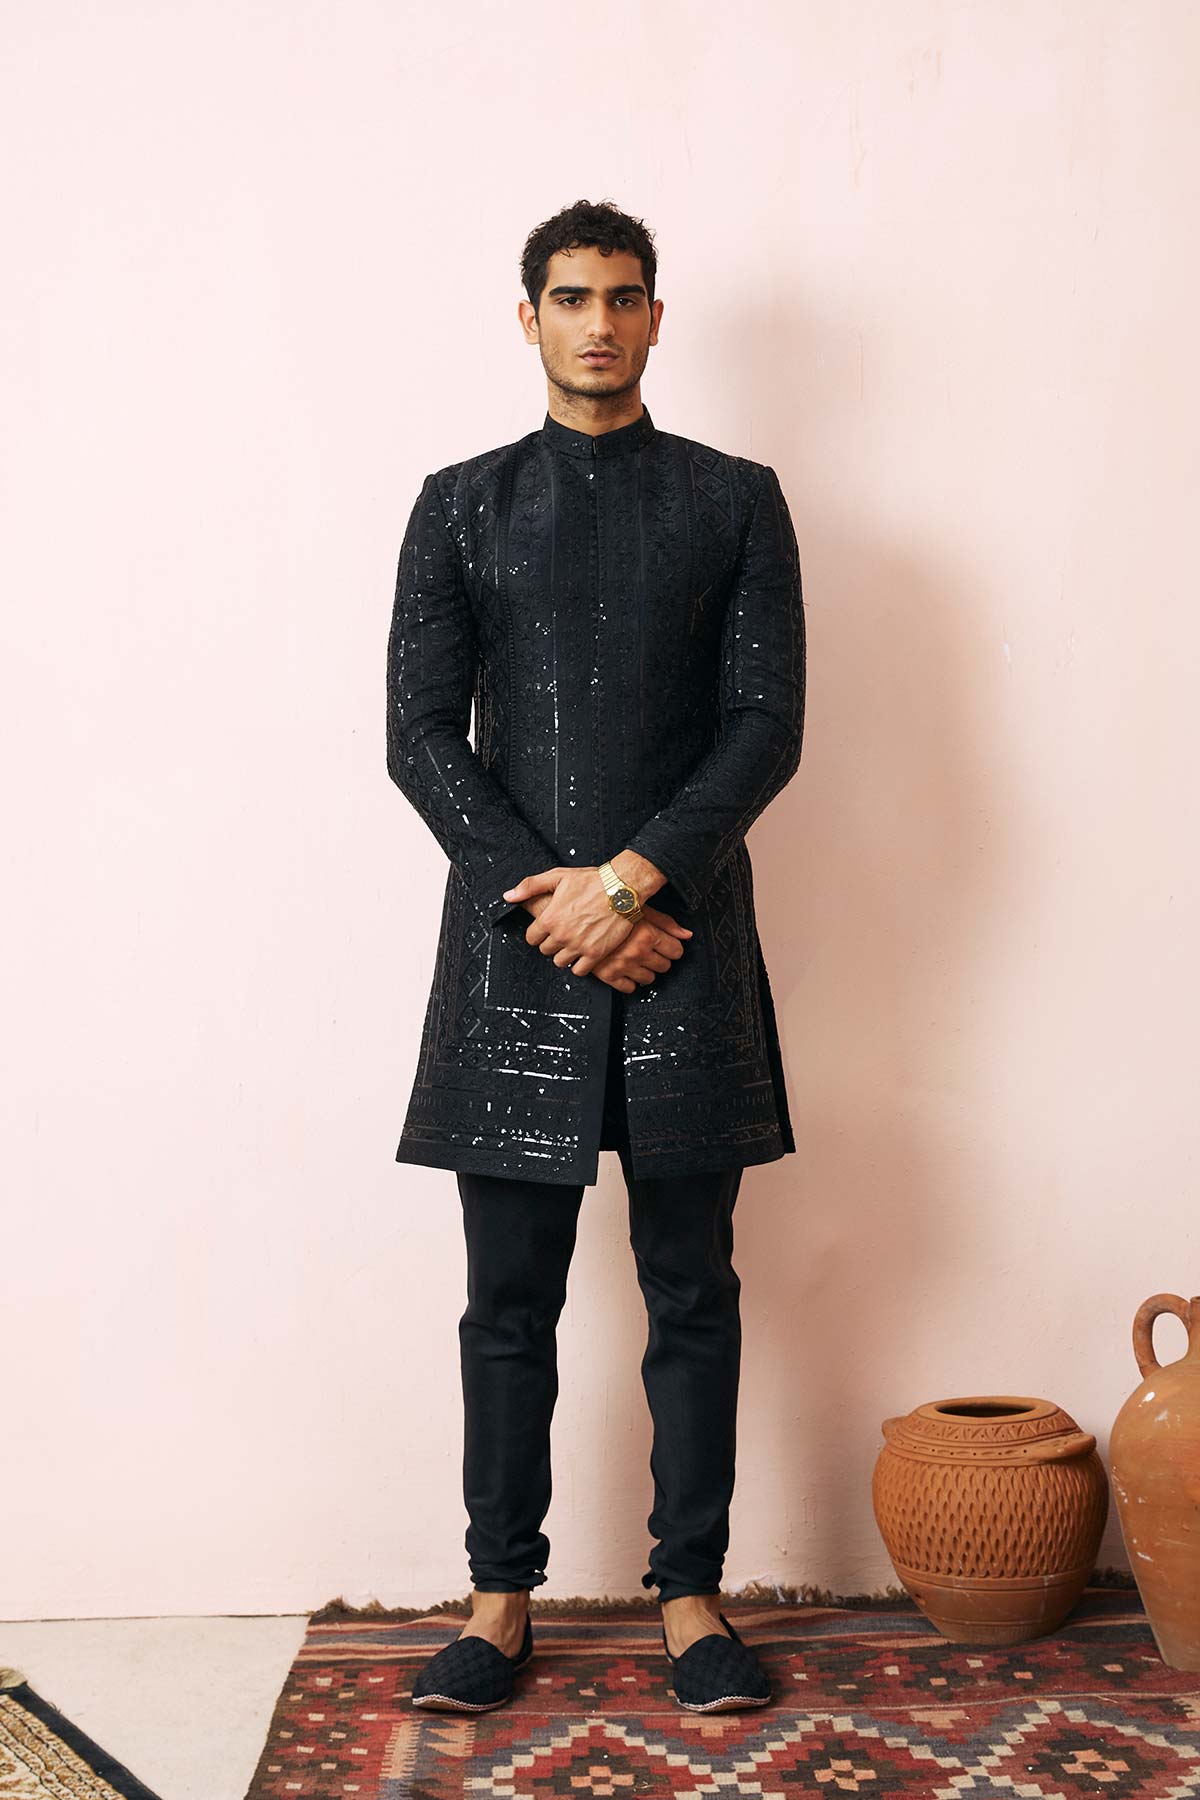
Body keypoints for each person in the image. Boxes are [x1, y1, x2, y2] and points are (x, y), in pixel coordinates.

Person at [387, 198, 806, 1714]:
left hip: (685, 945)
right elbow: (420, 735)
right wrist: (549, 903)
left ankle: (691, 1600)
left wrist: (628, 884)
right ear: (530, 318)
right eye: (571, 298)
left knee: (693, 1288)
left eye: (624, 297)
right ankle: (500, 1604)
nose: (600, 323)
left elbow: (765, 725)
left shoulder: (736, 500)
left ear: (655, 317)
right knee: (507, 1304)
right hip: (515, 963)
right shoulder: (459, 505)